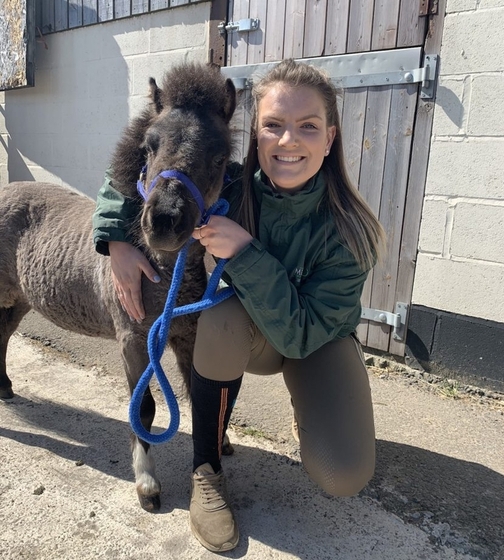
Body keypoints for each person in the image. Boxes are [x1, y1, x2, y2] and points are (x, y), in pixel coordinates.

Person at [92, 59, 385, 553]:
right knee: (222, 316)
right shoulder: (229, 181)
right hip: (251, 334)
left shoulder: (352, 231)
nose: (288, 141)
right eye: (273, 125)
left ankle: (314, 402)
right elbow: (141, 169)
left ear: (330, 139)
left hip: (314, 339)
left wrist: (246, 254)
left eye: (307, 127)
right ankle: (206, 469)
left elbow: (301, 335)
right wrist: (114, 239)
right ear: (255, 135)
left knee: (343, 473)